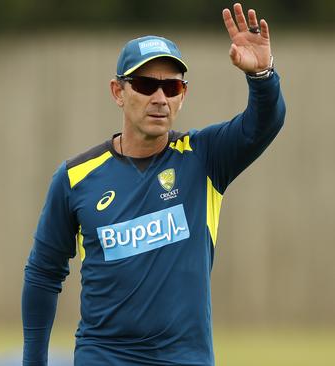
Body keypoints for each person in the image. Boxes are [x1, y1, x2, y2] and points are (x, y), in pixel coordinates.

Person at [22, 3, 285, 365]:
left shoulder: (203, 157)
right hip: (104, 357)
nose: (160, 98)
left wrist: (261, 76)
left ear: (183, 94)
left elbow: (263, 125)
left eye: (172, 86)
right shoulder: (75, 178)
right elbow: (43, 274)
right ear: (118, 91)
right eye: (146, 85)